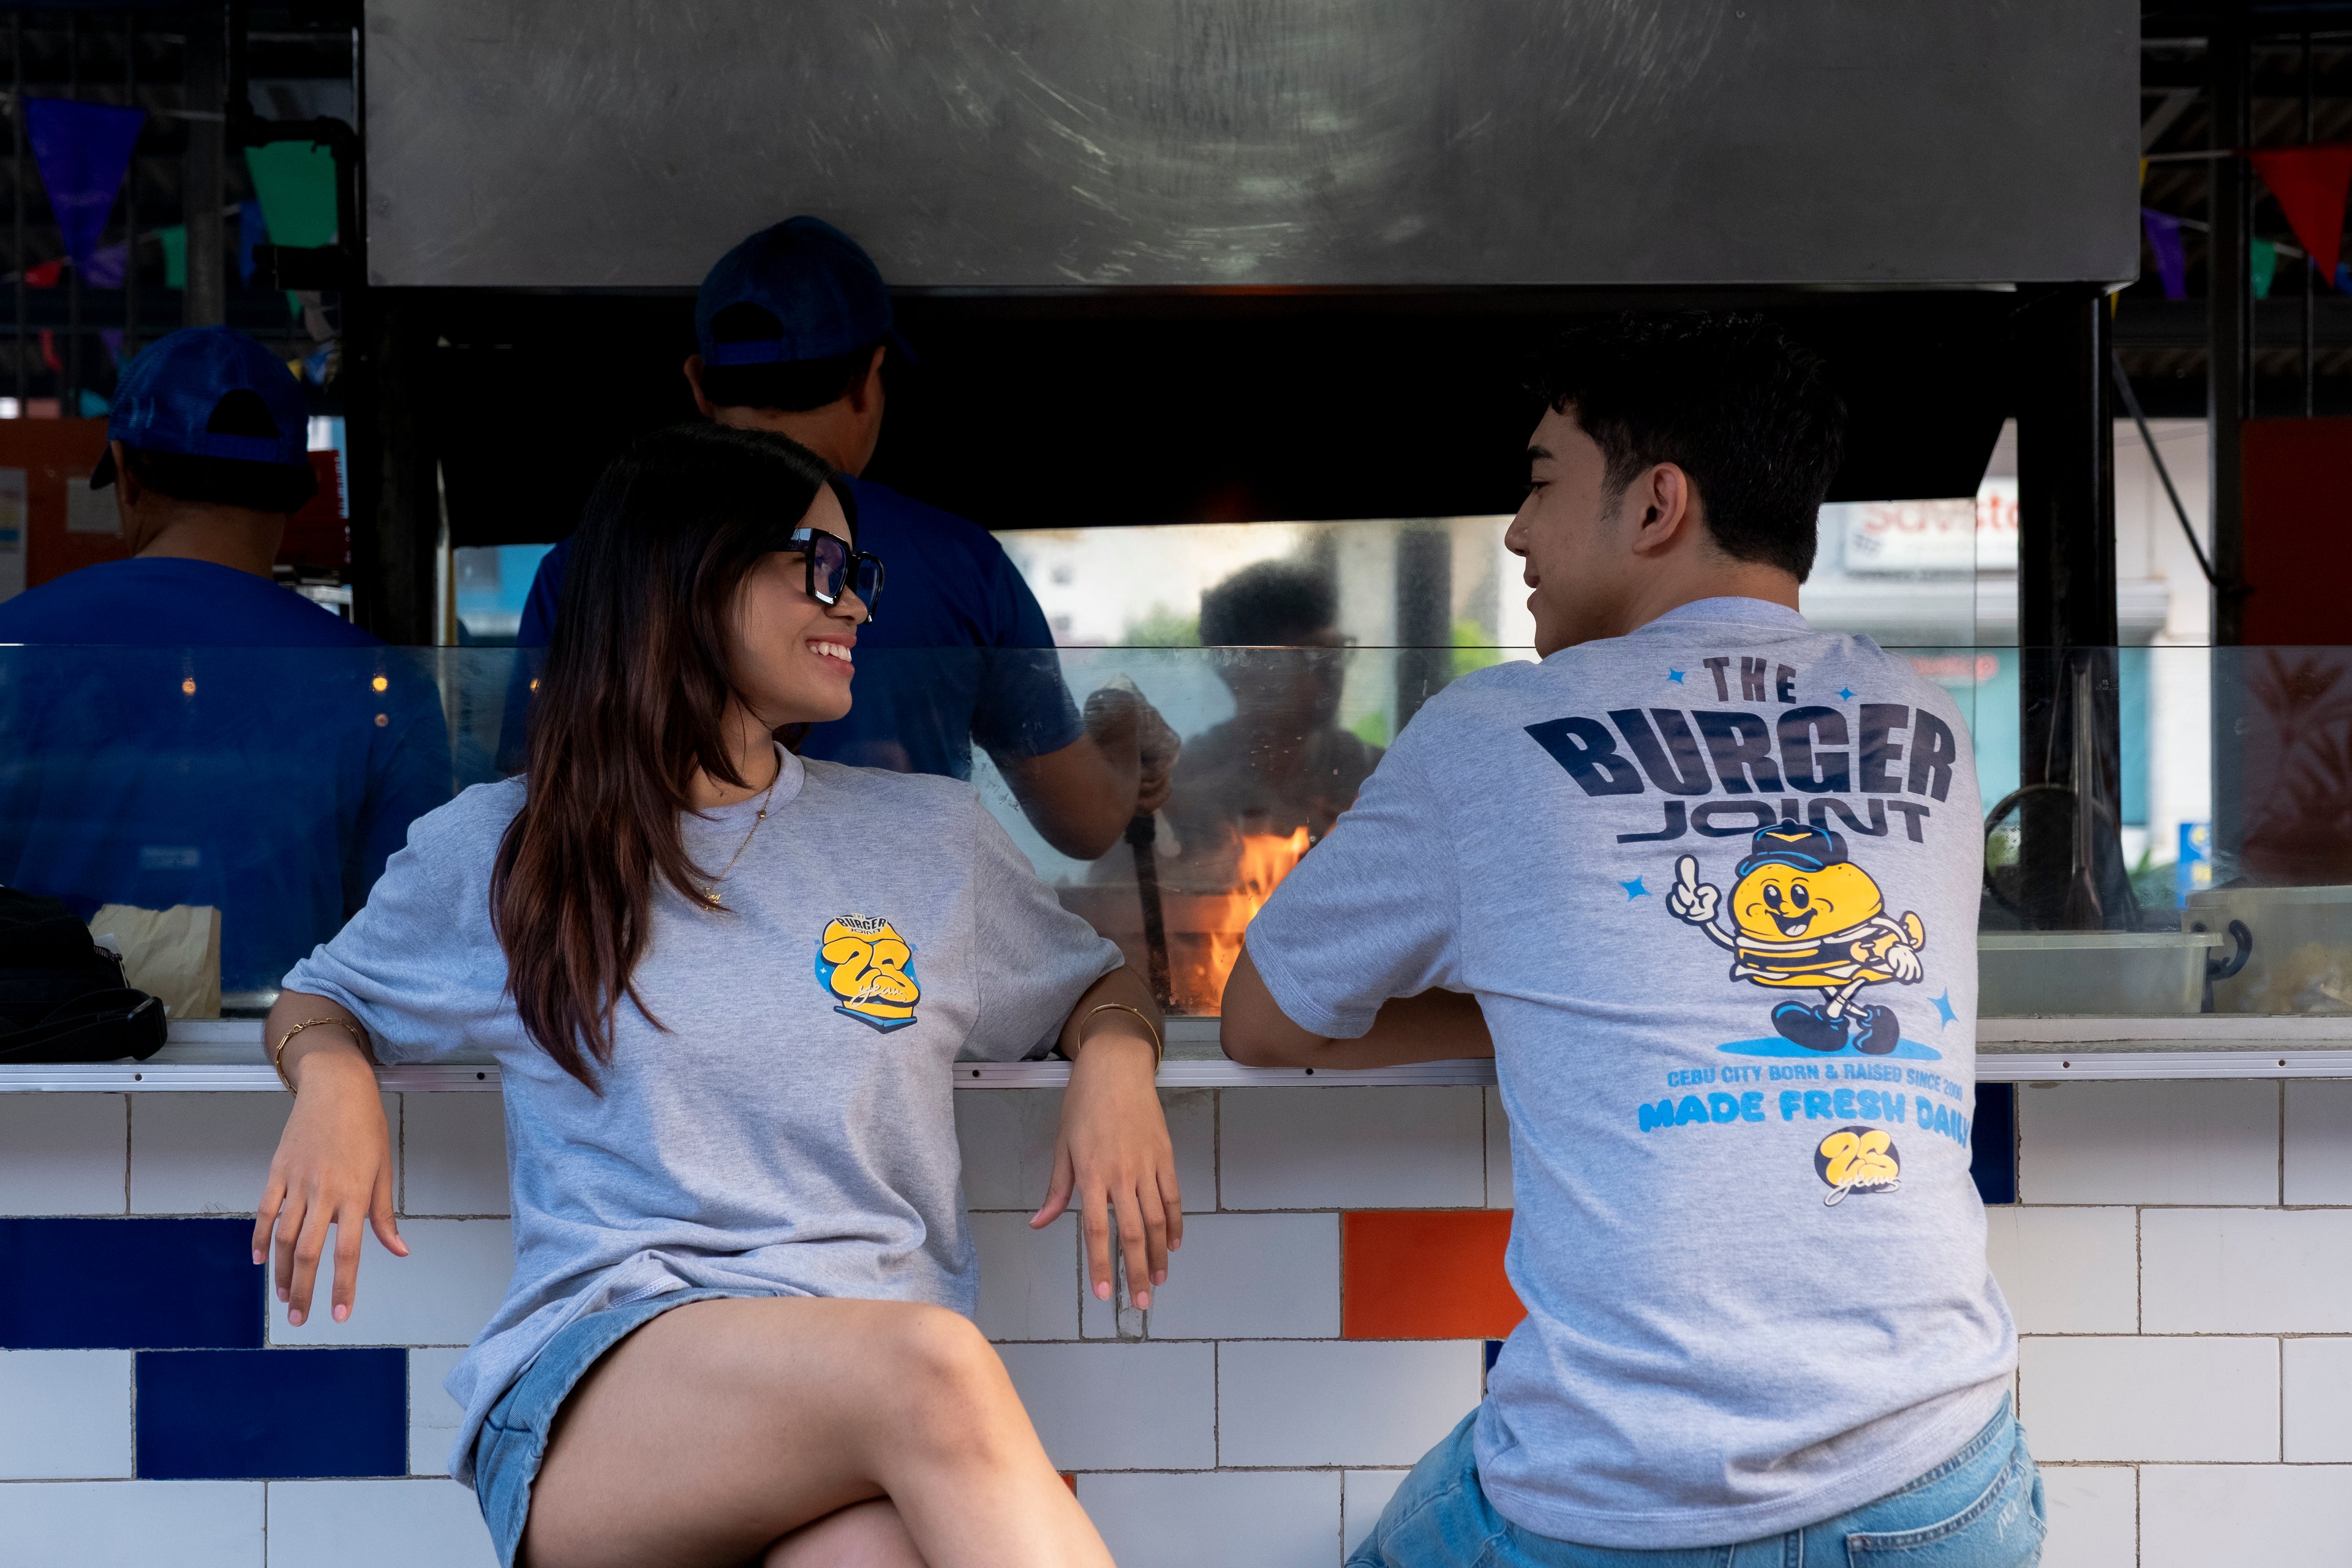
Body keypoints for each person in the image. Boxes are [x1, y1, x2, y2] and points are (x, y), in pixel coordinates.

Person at [255, 423, 1180, 1568]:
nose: (857, 606)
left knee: (881, 1551)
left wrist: (1117, 1065)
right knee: (938, 1364)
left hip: (867, 1406)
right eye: (823, 568)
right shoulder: (507, 846)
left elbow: (1098, 984)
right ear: (690, 576)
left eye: (860, 573)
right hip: (606, 1392)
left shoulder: (929, 837)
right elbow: (318, 997)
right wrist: (335, 1082)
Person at [1223, 315, 2036, 1566]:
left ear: (1658, 504)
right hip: (1940, 1479)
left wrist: (1528, 1006)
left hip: (1629, 1489)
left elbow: (1264, 1019)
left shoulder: (1495, 732)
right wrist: (1563, 999)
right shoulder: (1928, 720)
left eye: (1542, 483)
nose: (1516, 531)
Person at [515, 216, 1172, 861]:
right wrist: (1121, 725)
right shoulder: (962, 562)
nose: (851, 605)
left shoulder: (589, 564)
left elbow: (535, 797)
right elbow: (1084, 821)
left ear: (700, 385)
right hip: (900, 922)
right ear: (867, 381)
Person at [0, 326, 450, 998]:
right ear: (300, 489)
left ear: (126, 471)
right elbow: (410, 949)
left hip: (40, 1050)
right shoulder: (388, 686)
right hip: (286, 1055)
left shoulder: (10, 646)